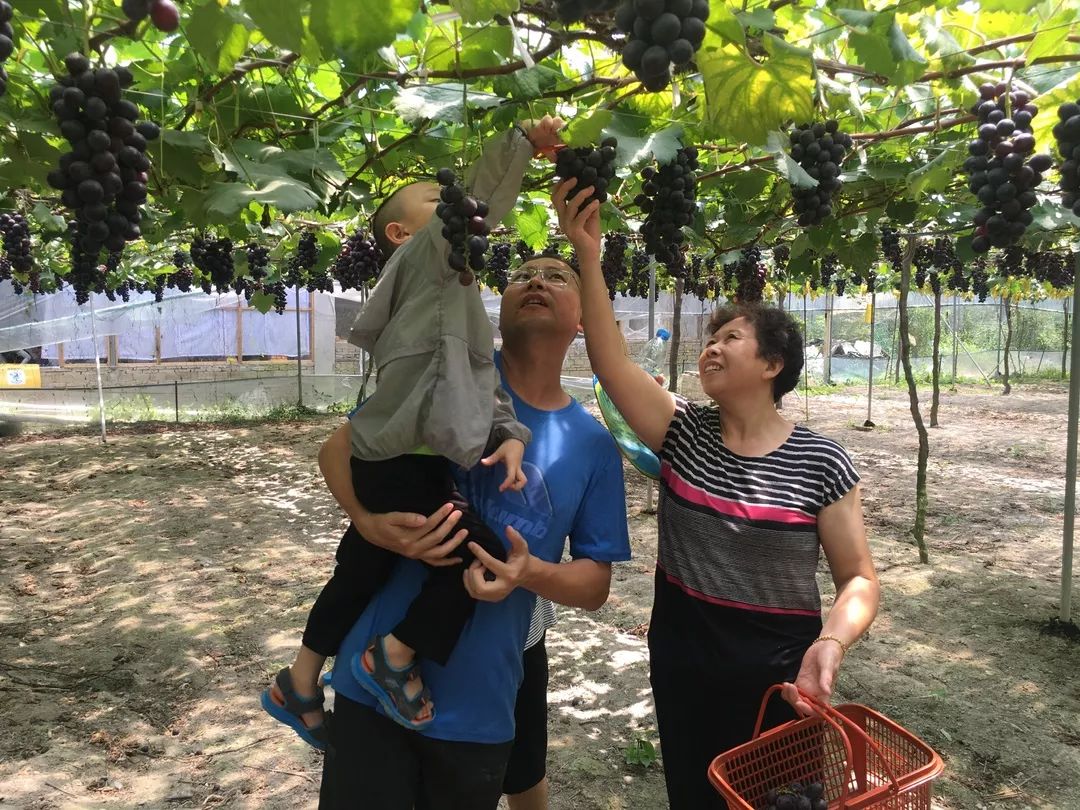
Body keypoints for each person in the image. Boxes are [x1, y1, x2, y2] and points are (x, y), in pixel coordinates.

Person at [554, 177, 880, 809]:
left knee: (779, 800)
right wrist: (587, 257)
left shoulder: (822, 461)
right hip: (683, 659)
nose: (712, 346)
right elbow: (610, 361)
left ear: (772, 365)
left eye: (731, 337)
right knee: (697, 796)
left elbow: (859, 579)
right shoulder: (681, 432)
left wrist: (830, 643)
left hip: (779, 678)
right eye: (710, 337)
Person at [261, 118, 565, 742]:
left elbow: (479, 378)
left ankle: (299, 680)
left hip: (406, 461)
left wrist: (510, 433)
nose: (452, 208)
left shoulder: (451, 294)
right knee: (483, 556)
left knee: (362, 567)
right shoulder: (427, 258)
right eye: (436, 199)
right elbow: (470, 206)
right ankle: (393, 657)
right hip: (400, 462)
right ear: (403, 233)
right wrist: (521, 144)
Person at [317, 250, 632, 809]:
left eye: (557, 277)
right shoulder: (444, 374)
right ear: (497, 306)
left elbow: (594, 585)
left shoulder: (594, 445)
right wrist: (367, 522)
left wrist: (528, 572)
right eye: (521, 275)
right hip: (368, 684)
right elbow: (338, 450)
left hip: (480, 703)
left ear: (583, 317)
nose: (536, 280)